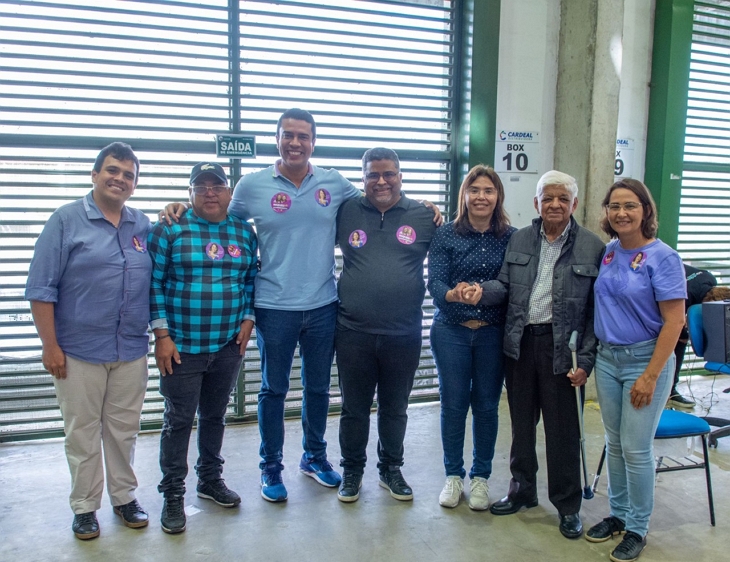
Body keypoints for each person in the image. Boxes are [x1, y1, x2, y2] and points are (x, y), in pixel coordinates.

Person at [161, 109, 440, 503]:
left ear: (313, 142)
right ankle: (271, 467)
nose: (295, 143)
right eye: (288, 135)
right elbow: (218, 219)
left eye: (303, 136)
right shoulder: (252, 185)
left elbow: (380, 196)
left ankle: (314, 457)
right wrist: (180, 205)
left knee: (318, 389)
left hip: (324, 305)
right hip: (274, 306)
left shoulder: (334, 183)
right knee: (274, 390)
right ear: (277, 139)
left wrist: (426, 205)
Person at [25, 142, 151, 540]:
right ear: (95, 174)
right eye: (112, 170)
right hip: (78, 351)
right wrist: (49, 346)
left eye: (128, 175)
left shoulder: (142, 224)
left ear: (134, 185)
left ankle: (124, 497)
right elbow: (41, 288)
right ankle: (84, 506)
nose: (119, 179)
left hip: (130, 349)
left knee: (123, 430)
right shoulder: (65, 220)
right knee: (81, 432)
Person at [479, 170, 604, 539]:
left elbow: (595, 314)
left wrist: (587, 362)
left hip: (562, 349)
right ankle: (522, 491)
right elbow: (504, 286)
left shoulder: (592, 247)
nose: (554, 204)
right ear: (536, 203)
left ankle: (567, 505)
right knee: (521, 426)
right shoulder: (519, 238)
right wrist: (479, 291)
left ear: (574, 204)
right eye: (547, 198)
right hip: (520, 344)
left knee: (563, 431)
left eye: (563, 198)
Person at [148, 162, 258, 534]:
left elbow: (250, 280)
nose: (210, 192)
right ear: (190, 192)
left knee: (214, 415)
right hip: (181, 347)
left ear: (229, 192)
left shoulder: (243, 231)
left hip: (227, 344)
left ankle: (209, 479)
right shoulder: (170, 228)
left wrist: (248, 318)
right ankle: (173, 493)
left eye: (217, 185)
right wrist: (162, 336)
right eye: (201, 186)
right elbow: (154, 284)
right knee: (178, 420)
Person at [585, 178, 686, 562]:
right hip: (608, 360)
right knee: (614, 442)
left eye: (630, 205)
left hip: (646, 360)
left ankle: (638, 528)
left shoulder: (664, 257)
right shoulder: (610, 252)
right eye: (614, 206)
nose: (621, 213)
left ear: (646, 210)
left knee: (636, 448)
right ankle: (619, 514)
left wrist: (650, 375)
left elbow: (675, 322)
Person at [335, 148, 436, 502]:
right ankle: (352, 471)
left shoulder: (424, 216)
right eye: (373, 175)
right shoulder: (345, 211)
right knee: (353, 408)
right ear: (362, 178)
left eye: (389, 174)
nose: (381, 181)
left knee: (395, 408)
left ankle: (391, 469)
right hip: (353, 332)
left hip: (403, 333)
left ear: (400, 177)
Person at [427, 165, 516, 510]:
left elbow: (509, 284)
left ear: (498, 197)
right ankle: (453, 476)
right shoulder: (445, 234)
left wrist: (484, 291)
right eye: (474, 190)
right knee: (453, 405)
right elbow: (434, 281)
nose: (481, 197)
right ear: (464, 195)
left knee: (487, 406)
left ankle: (480, 477)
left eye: (488, 191)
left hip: (492, 333)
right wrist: (452, 294)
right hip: (451, 331)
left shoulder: (511, 237)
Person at [667, 264, 730, 409]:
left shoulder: (710, 279)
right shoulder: (686, 295)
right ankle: (668, 392)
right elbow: (672, 320)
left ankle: (670, 391)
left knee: (681, 336)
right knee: (679, 338)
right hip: (653, 295)